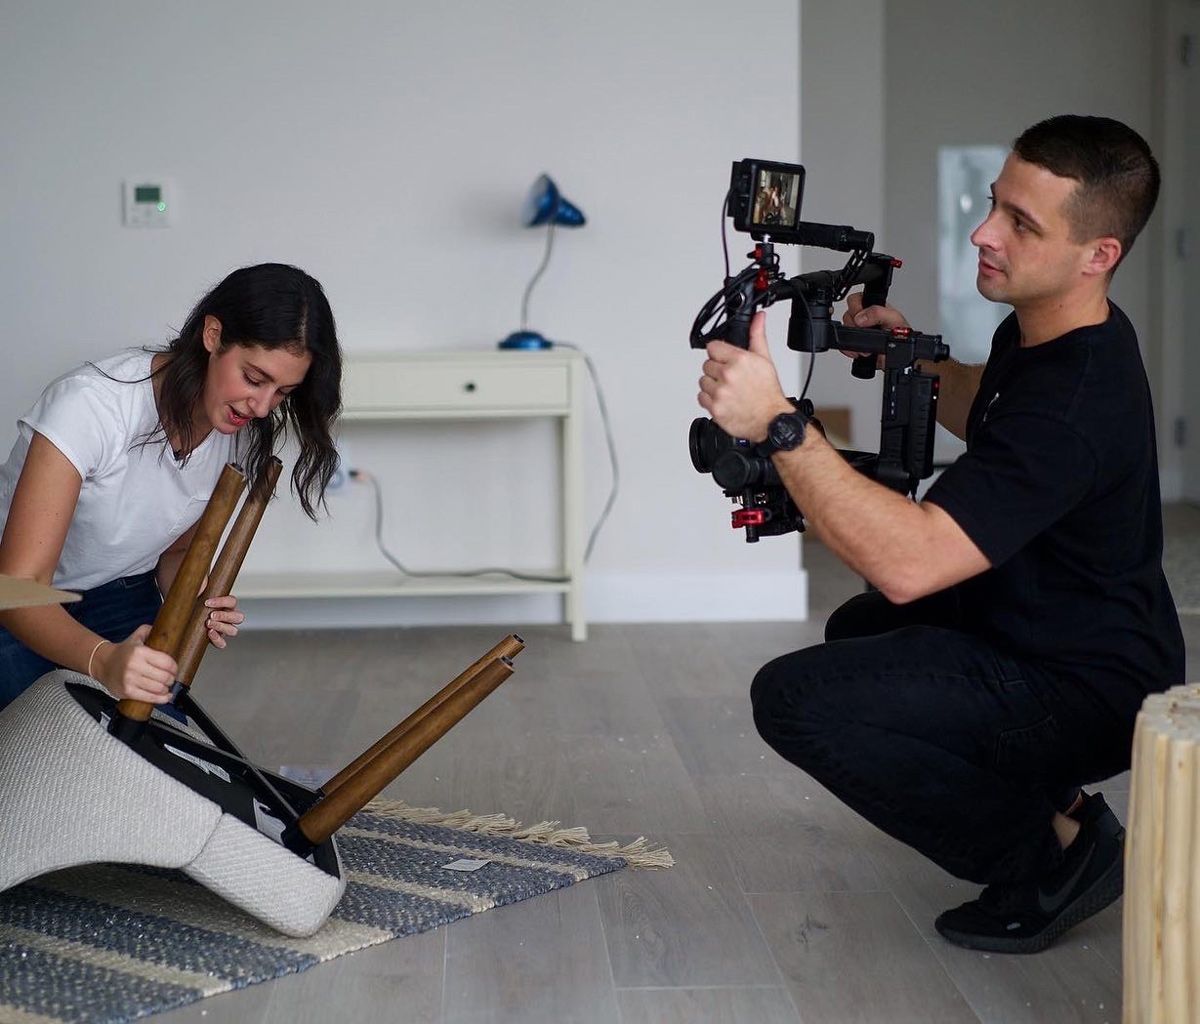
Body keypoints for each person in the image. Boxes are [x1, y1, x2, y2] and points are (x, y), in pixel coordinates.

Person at [696, 114, 1186, 954]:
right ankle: (1061, 809)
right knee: (862, 634)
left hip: (1083, 688)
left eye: (1021, 225)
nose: (983, 232)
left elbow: (912, 563)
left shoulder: (1076, 404)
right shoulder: (1051, 333)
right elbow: (991, 406)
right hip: (1043, 631)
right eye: (996, 204)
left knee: (799, 701)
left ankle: (1050, 862)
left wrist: (780, 425)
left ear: (1097, 253)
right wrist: (909, 360)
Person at [0, 263, 342, 711]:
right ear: (213, 335)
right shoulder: (89, 407)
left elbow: (175, 553)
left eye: (283, 393)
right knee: (29, 757)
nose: (261, 407)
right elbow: (18, 589)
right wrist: (102, 660)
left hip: (119, 592)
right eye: (255, 379)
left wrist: (197, 597)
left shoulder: (236, 431)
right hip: (20, 600)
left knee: (153, 749)